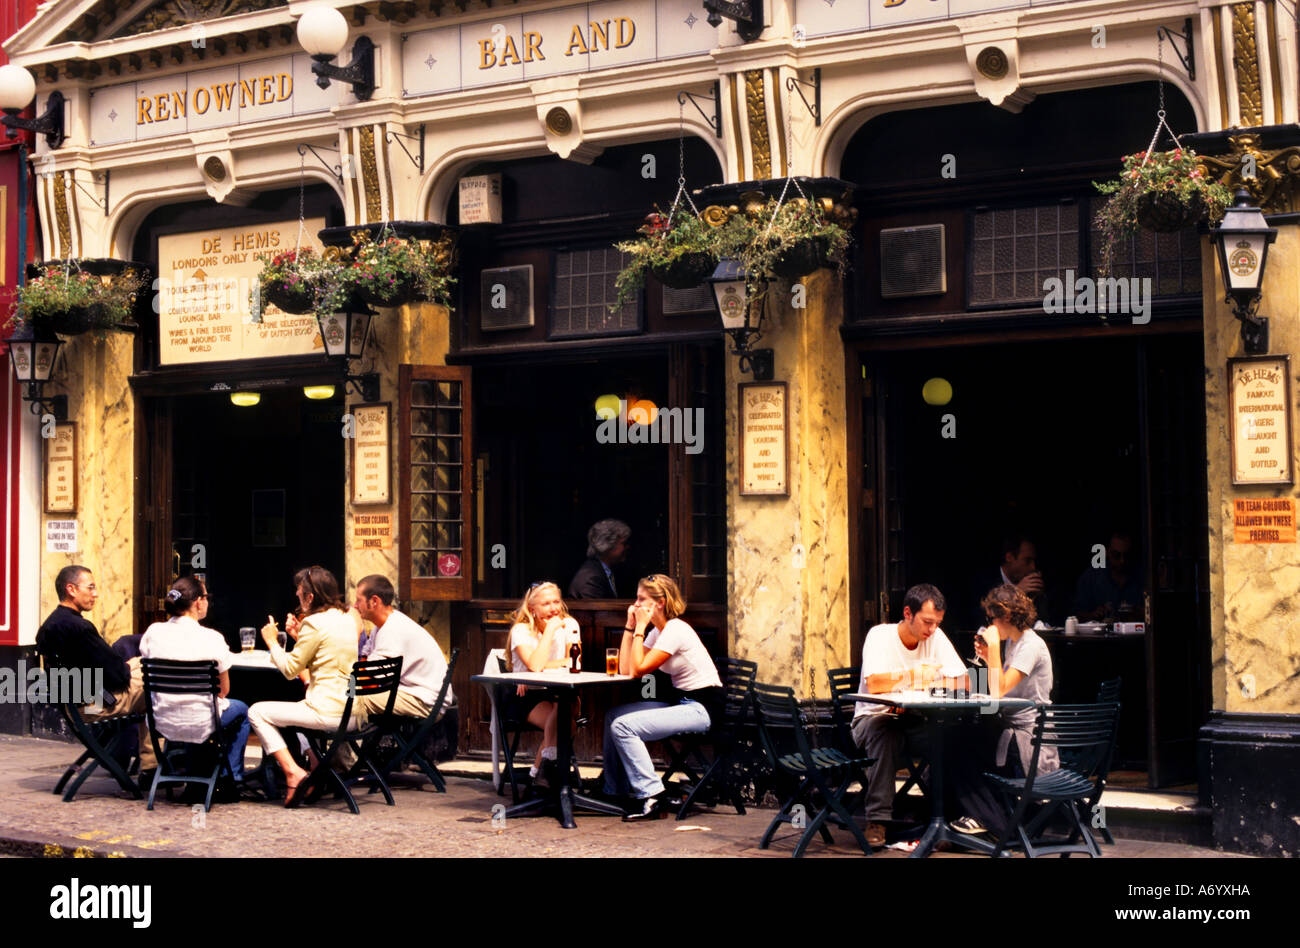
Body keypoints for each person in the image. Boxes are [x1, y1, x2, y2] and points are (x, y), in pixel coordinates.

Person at [850, 583, 968, 847]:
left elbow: (965, 681)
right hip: (872, 720)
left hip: (914, 720)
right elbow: (875, 684)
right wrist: (915, 677)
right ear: (907, 613)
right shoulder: (880, 636)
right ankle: (877, 819)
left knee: (954, 735)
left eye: (937, 623)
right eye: (927, 622)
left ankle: (944, 818)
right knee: (885, 729)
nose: (932, 629)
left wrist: (935, 684)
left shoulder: (935, 637)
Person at [603, 574, 723, 821]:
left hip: (702, 709)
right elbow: (627, 669)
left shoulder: (676, 630)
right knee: (614, 715)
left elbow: (638, 669)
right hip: (681, 703)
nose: (635, 605)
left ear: (659, 603)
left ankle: (652, 795)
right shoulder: (658, 632)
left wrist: (638, 628)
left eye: (641, 599)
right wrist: (629, 626)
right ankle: (615, 790)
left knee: (624, 726)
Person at [948, 583, 1057, 837]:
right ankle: (966, 818)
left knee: (958, 746)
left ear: (1006, 616)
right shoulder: (1014, 644)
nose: (990, 623)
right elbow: (998, 686)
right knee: (954, 739)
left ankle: (992, 821)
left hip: (1028, 738)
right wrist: (988, 658)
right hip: (1012, 730)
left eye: (992, 618)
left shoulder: (1031, 645)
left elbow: (998, 691)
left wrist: (993, 650)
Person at [247, 566, 358, 807]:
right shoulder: (346, 619)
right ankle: (318, 771)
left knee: (256, 712)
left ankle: (293, 772)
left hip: (328, 712)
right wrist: (299, 637)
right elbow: (325, 652)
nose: (297, 598)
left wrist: (271, 642)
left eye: (299, 594)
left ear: (310, 597)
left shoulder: (314, 623)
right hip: (353, 711)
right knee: (297, 712)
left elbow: (289, 670)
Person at [35, 565, 155, 777]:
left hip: (73, 706)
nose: (95, 594)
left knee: (144, 667)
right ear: (71, 589)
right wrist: (133, 666)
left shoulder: (49, 626)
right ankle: (153, 766)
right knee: (157, 683)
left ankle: (147, 762)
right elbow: (118, 676)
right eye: (90, 588)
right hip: (94, 707)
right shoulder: (81, 628)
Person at [139, 577, 250, 786]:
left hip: (161, 720)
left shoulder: (152, 632)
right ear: (198, 602)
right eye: (206, 597)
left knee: (196, 709)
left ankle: (195, 775)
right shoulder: (212, 638)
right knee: (241, 711)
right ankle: (230, 780)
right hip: (202, 721)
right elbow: (223, 690)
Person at [506, 582, 579, 785]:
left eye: (556, 601)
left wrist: (534, 668)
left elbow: (574, 663)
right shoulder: (521, 630)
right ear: (532, 609)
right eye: (546, 604)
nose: (554, 608)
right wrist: (549, 632)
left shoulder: (570, 625)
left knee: (564, 710)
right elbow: (536, 665)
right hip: (526, 696)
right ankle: (548, 776)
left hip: (557, 691)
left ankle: (538, 774)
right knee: (567, 723)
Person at [351, 574, 453, 719]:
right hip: (413, 692)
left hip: (425, 700)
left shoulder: (393, 628)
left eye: (358, 600)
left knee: (353, 699)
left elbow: (372, 674)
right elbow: (364, 659)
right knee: (352, 695)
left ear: (374, 601)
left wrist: (356, 628)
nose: (355, 606)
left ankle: (346, 741)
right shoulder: (382, 626)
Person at [969, 533, 1047, 629]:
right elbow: (979, 619)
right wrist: (1015, 594)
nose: (1033, 567)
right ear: (1009, 557)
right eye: (1027, 561)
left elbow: (1042, 622)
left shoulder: (1031, 585)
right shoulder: (984, 581)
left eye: (1033, 561)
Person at [1073, 530, 1143, 621]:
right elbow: (1076, 615)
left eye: (1126, 555)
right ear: (1107, 552)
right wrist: (1093, 615)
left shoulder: (1142, 576)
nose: (1122, 561)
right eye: (1116, 555)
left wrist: (1137, 613)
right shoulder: (1091, 577)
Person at [568, 519, 630, 599]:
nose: (628, 547)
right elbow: (598, 611)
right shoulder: (591, 580)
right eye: (624, 543)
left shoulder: (603, 571)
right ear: (608, 545)